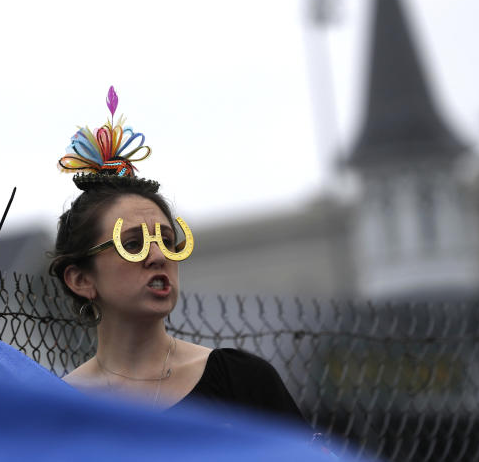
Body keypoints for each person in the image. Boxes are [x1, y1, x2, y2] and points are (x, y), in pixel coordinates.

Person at [49, 88, 305, 424]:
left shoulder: (241, 382)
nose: (158, 256)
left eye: (168, 240)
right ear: (81, 279)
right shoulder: (60, 411)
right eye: (133, 243)